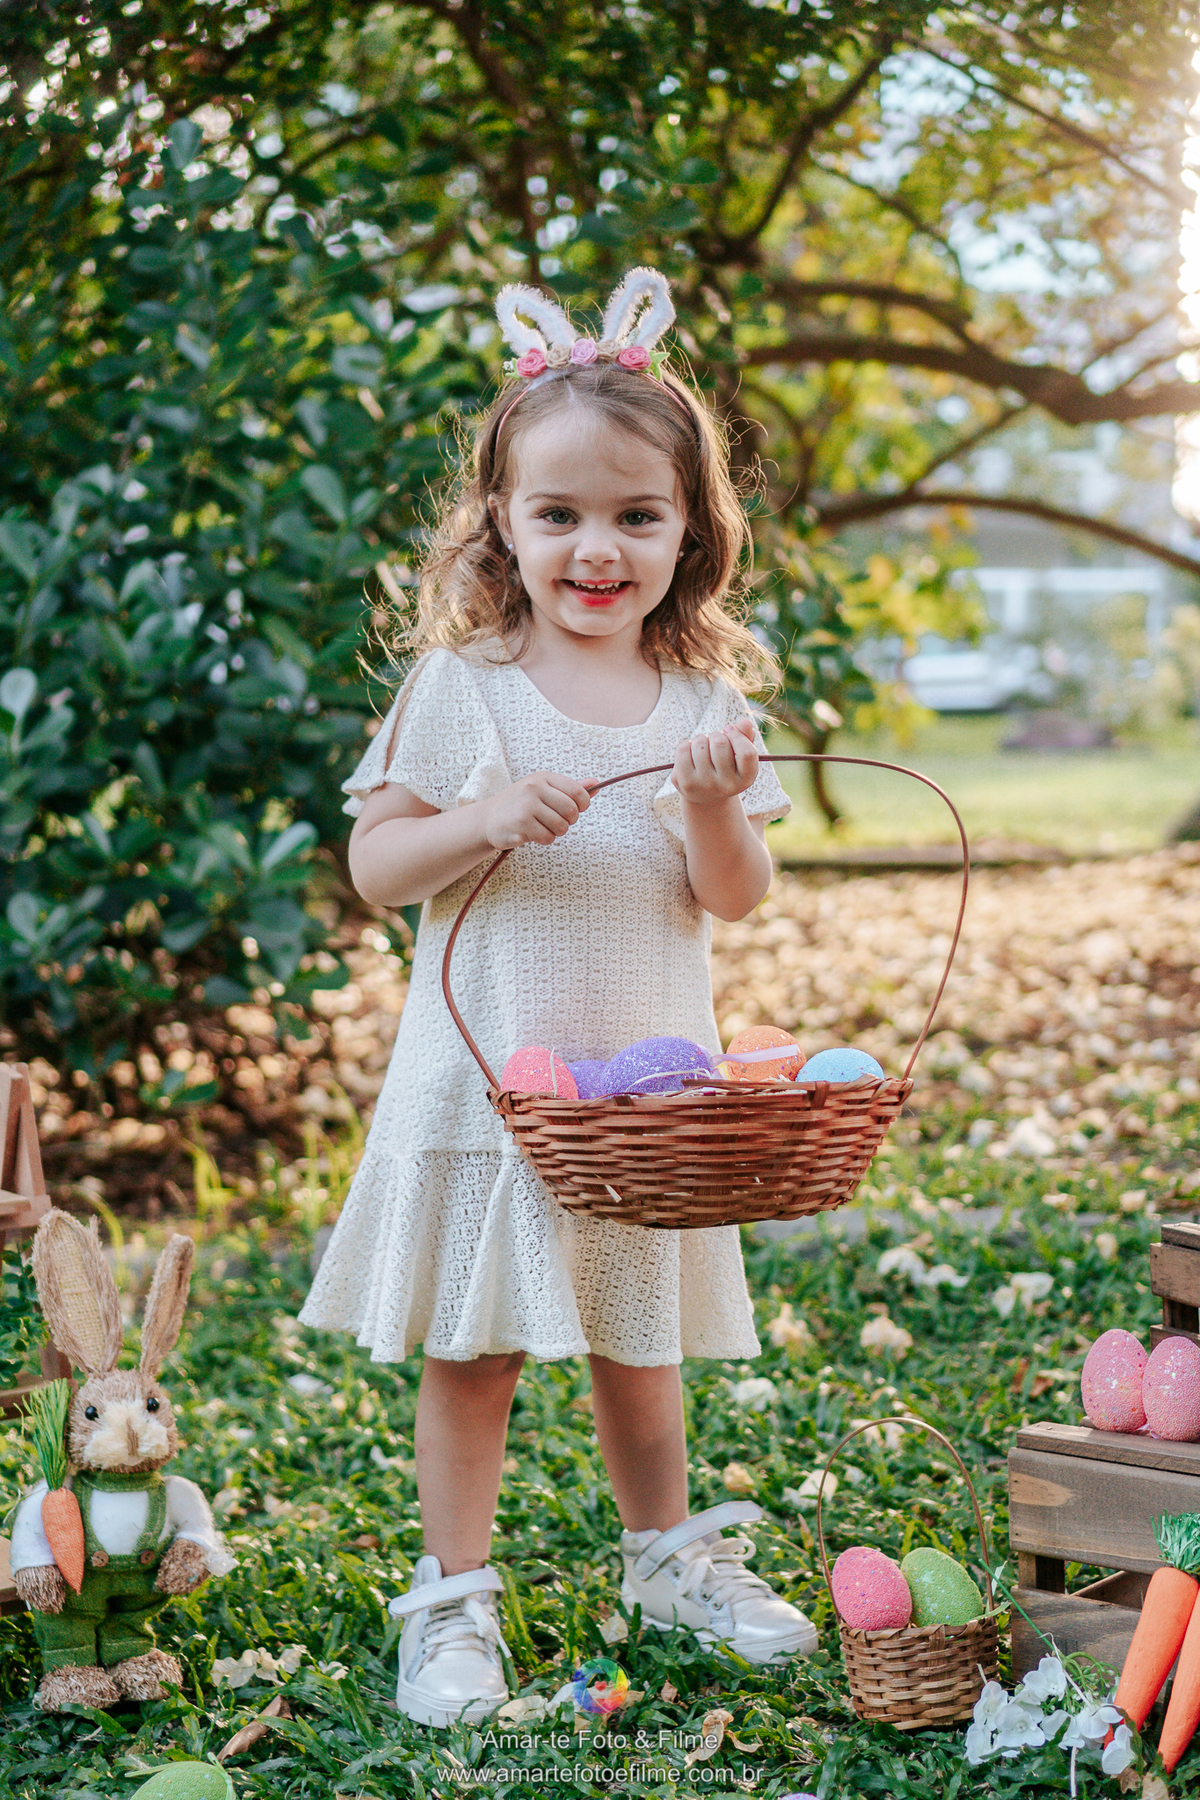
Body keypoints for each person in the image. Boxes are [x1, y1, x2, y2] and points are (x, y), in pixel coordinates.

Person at [298, 268, 817, 1725]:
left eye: (638, 516)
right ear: (503, 524)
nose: (599, 548)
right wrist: (482, 820)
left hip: (644, 1099)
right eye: (561, 514)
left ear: (691, 531)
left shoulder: (705, 707)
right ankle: (453, 1599)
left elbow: (734, 895)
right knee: (476, 1351)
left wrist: (713, 807)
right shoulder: (465, 687)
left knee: (641, 1342)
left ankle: (666, 1557)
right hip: (493, 1090)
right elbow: (376, 866)